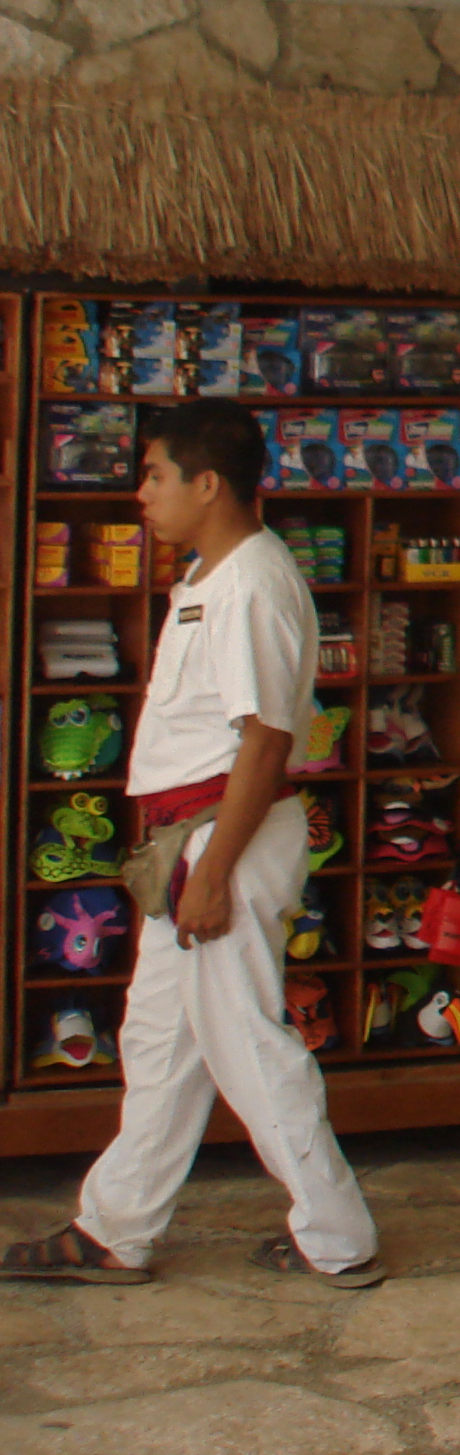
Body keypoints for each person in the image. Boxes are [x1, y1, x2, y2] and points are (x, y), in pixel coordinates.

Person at [2, 401, 382, 1288]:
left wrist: (211, 873)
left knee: (248, 1043)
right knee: (160, 1042)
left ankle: (339, 1236)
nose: (142, 493)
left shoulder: (252, 582)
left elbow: (266, 740)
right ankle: (116, 1229)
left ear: (208, 483)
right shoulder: (210, 577)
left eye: (155, 475)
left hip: (223, 842)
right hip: (190, 838)